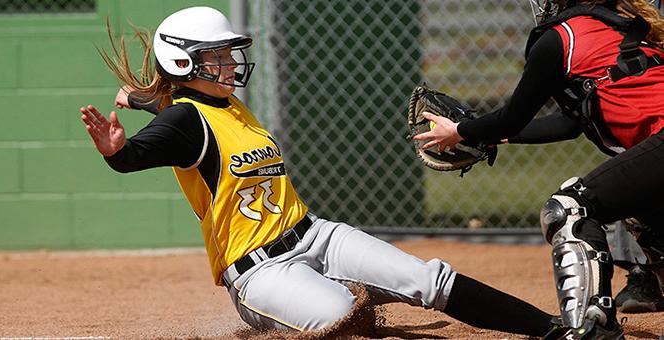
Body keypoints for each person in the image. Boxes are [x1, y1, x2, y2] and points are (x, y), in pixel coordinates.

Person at [81, 6, 558, 336]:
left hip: (315, 235)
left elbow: (181, 99)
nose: (230, 64)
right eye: (218, 57)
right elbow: (153, 142)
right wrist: (117, 152)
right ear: (185, 61)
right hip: (260, 274)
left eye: (229, 54)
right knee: (342, 321)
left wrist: (143, 97)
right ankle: (331, 296)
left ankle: (555, 328)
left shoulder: (225, 104)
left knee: (428, 279)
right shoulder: (183, 120)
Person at [414, 0, 664, 338]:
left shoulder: (561, 38)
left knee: (570, 210)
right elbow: (570, 123)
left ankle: (591, 329)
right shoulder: (619, 26)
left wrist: (459, 131)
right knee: (640, 210)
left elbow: (513, 116)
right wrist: (491, 139)